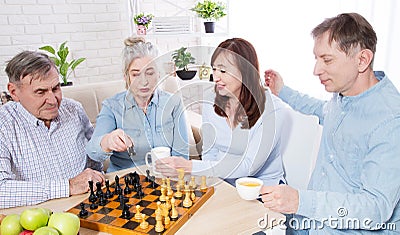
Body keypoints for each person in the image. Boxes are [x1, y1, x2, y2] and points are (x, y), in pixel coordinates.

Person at [262, 13, 400, 233]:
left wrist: (301, 201)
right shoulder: (344, 95)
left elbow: (375, 210)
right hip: (309, 222)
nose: (316, 70)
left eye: (327, 60)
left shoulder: (391, 121)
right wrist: (282, 91)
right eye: (317, 59)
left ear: (362, 60)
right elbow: (321, 109)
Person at [156, 38, 289, 186]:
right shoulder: (211, 100)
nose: (216, 77)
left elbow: (249, 166)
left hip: (263, 190)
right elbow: (209, 152)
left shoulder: (273, 110)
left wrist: (190, 166)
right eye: (214, 69)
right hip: (224, 184)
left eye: (223, 70)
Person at [0, 51, 104, 209]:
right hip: (40, 219)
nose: (53, 100)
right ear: (14, 92)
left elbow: (95, 163)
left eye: (56, 88)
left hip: (90, 208)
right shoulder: (4, 124)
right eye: (40, 92)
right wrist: (68, 186)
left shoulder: (74, 109)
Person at [86, 37, 189, 172]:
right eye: (136, 74)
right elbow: (93, 152)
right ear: (126, 77)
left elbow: (181, 155)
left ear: (159, 74)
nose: (143, 82)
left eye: (150, 73)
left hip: (164, 180)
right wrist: (107, 141)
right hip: (126, 183)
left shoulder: (174, 104)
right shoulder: (112, 107)